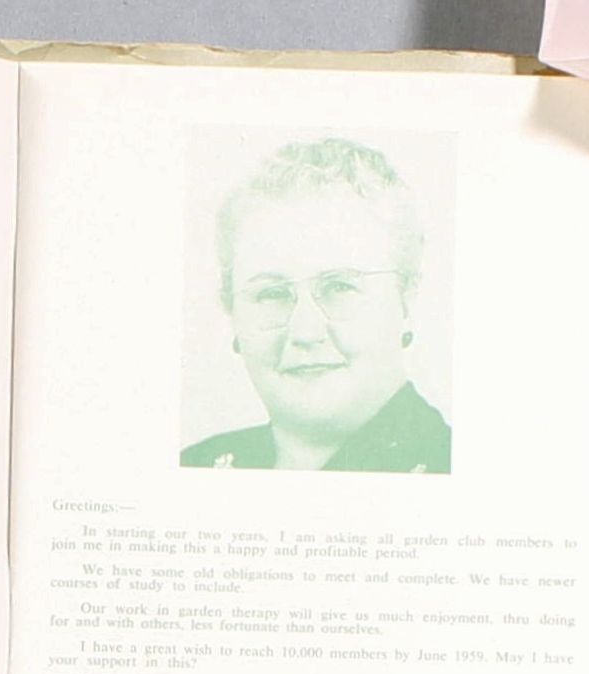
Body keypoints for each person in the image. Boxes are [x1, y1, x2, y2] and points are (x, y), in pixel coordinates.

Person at [182, 137, 451, 474]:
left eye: (340, 287)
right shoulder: (195, 464)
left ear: (406, 301)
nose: (305, 332)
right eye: (271, 294)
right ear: (231, 312)